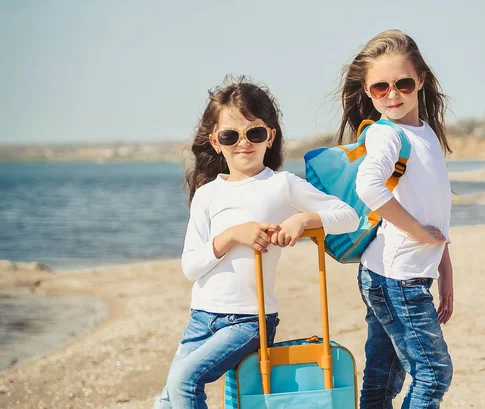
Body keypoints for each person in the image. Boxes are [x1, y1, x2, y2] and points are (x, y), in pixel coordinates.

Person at [154, 76, 359, 409]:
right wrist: (234, 235)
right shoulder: (207, 195)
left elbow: (348, 215)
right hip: (202, 317)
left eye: (255, 133)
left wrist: (303, 219)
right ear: (216, 141)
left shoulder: (282, 186)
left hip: (249, 319)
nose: (243, 143)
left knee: (184, 382)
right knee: (167, 400)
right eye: (230, 135)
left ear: (270, 136)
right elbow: (191, 266)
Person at [335, 29, 454, 408]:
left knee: (383, 379)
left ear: (419, 79)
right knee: (434, 375)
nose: (392, 95)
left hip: (399, 276)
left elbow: (434, 211)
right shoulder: (386, 135)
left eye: (402, 83)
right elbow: (371, 187)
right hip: (396, 279)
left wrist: (445, 269)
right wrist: (417, 231)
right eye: (379, 88)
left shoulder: (426, 134)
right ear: (368, 92)